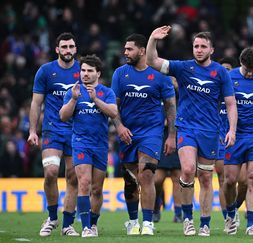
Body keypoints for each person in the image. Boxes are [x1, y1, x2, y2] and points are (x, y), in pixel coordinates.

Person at [146, 26, 238, 237]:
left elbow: (231, 104)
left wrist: (232, 130)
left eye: (203, 46)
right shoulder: (183, 68)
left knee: (206, 178)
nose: (198, 49)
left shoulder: (221, 72)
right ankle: (188, 219)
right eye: (196, 46)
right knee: (187, 170)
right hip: (186, 127)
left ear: (211, 50)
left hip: (210, 130)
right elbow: (152, 61)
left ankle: (205, 223)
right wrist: (153, 39)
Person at [111, 33, 176, 236]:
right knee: (130, 179)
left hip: (152, 133)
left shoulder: (160, 76)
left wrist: (172, 136)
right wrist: (119, 127)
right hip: (128, 133)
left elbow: (171, 107)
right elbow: (114, 106)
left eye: (129, 49)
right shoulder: (120, 74)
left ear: (141, 51)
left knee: (146, 174)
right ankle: (132, 221)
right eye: (125, 48)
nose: (125, 52)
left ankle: (148, 222)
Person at [59, 54, 118, 237]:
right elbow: (63, 116)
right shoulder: (73, 91)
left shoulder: (107, 92)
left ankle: (92, 223)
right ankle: (85, 227)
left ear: (98, 73)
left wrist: (96, 100)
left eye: (89, 71)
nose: (85, 74)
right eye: (83, 70)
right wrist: (74, 99)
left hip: (100, 145)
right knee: (84, 183)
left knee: (97, 189)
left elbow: (114, 113)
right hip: (80, 143)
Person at [28, 32, 80, 237]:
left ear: (75, 49)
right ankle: (52, 217)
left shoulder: (83, 70)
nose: (68, 50)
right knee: (50, 172)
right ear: (57, 49)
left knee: (73, 177)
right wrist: (33, 131)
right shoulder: (46, 71)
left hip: (77, 132)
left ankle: (68, 224)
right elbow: (36, 103)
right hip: (53, 130)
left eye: (71, 47)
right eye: (64, 47)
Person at [223, 47, 253, 236]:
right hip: (234, 135)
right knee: (230, 180)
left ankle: (251, 224)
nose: (249, 74)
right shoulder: (229, 77)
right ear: (240, 63)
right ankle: (231, 214)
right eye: (246, 69)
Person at [153, 77, 182, 224]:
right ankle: (156, 206)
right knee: (157, 179)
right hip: (160, 138)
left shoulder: (182, 98)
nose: (172, 85)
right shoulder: (158, 98)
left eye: (174, 82)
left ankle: (178, 213)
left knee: (177, 178)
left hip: (178, 138)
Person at [216, 56, 237, 222]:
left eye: (228, 69)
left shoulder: (236, 92)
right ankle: (228, 218)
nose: (225, 72)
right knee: (223, 179)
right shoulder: (214, 93)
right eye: (222, 69)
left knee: (242, 181)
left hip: (238, 139)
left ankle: (234, 210)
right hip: (219, 140)